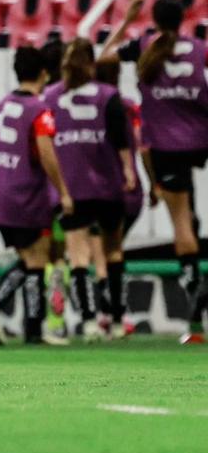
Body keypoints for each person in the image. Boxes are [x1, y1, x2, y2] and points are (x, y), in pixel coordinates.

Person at [100, 0, 208, 343]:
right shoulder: (200, 48)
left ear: (156, 19)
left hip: (166, 147)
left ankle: (194, 317)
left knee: (181, 225)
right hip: (199, 138)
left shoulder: (146, 45)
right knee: (188, 216)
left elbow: (104, 58)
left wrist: (128, 19)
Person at [0, 46, 74, 345]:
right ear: (44, 74)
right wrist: (64, 191)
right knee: (37, 260)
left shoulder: (4, 104)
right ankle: (30, 328)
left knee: (29, 260)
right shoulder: (40, 110)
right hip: (25, 193)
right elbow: (45, 151)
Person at [42, 39, 137, 341]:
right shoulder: (109, 96)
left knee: (79, 254)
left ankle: (89, 321)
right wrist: (129, 172)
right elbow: (121, 141)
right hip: (107, 184)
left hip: (72, 186)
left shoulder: (50, 96)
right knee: (114, 251)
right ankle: (119, 320)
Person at [94, 56, 146, 337]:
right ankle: (117, 314)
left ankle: (101, 314)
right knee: (114, 251)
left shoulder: (89, 103)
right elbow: (140, 141)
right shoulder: (128, 107)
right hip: (130, 190)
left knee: (99, 251)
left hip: (98, 188)